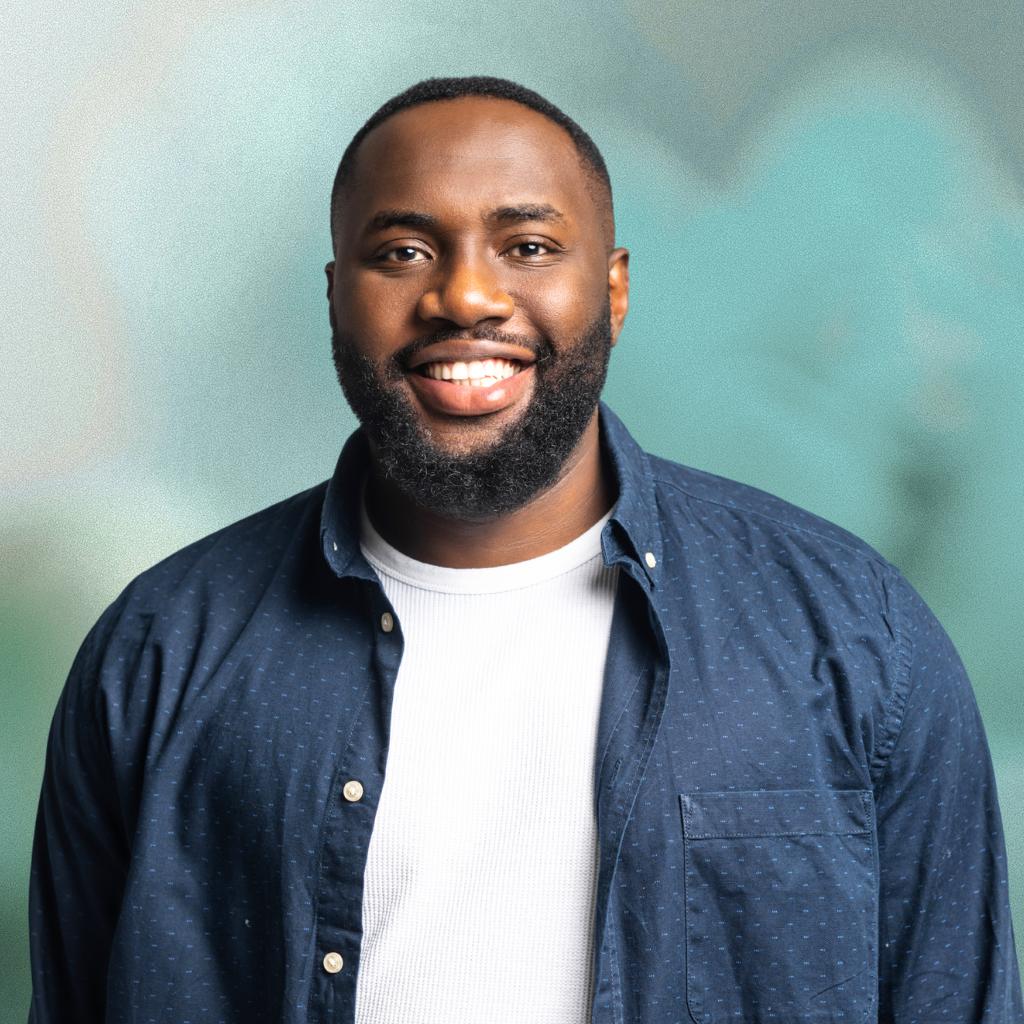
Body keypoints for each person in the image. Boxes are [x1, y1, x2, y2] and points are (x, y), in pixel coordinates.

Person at [28, 75, 1022, 1024]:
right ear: (336, 296)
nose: (468, 295)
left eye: (530, 245)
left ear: (620, 282)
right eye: (404, 251)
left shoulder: (863, 634)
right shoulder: (163, 651)